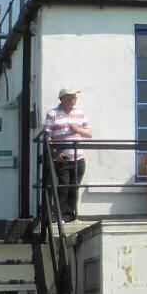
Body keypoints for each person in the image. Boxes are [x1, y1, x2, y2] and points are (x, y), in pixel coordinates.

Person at [43, 85, 91, 220]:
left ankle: (72, 216)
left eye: (74, 97)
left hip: (79, 157)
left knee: (74, 188)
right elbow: (47, 135)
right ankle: (62, 217)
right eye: (70, 97)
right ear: (62, 99)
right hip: (62, 157)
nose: (73, 99)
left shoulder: (80, 113)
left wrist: (78, 130)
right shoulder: (52, 114)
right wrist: (56, 154)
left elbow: (89, 133)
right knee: (63, 188)